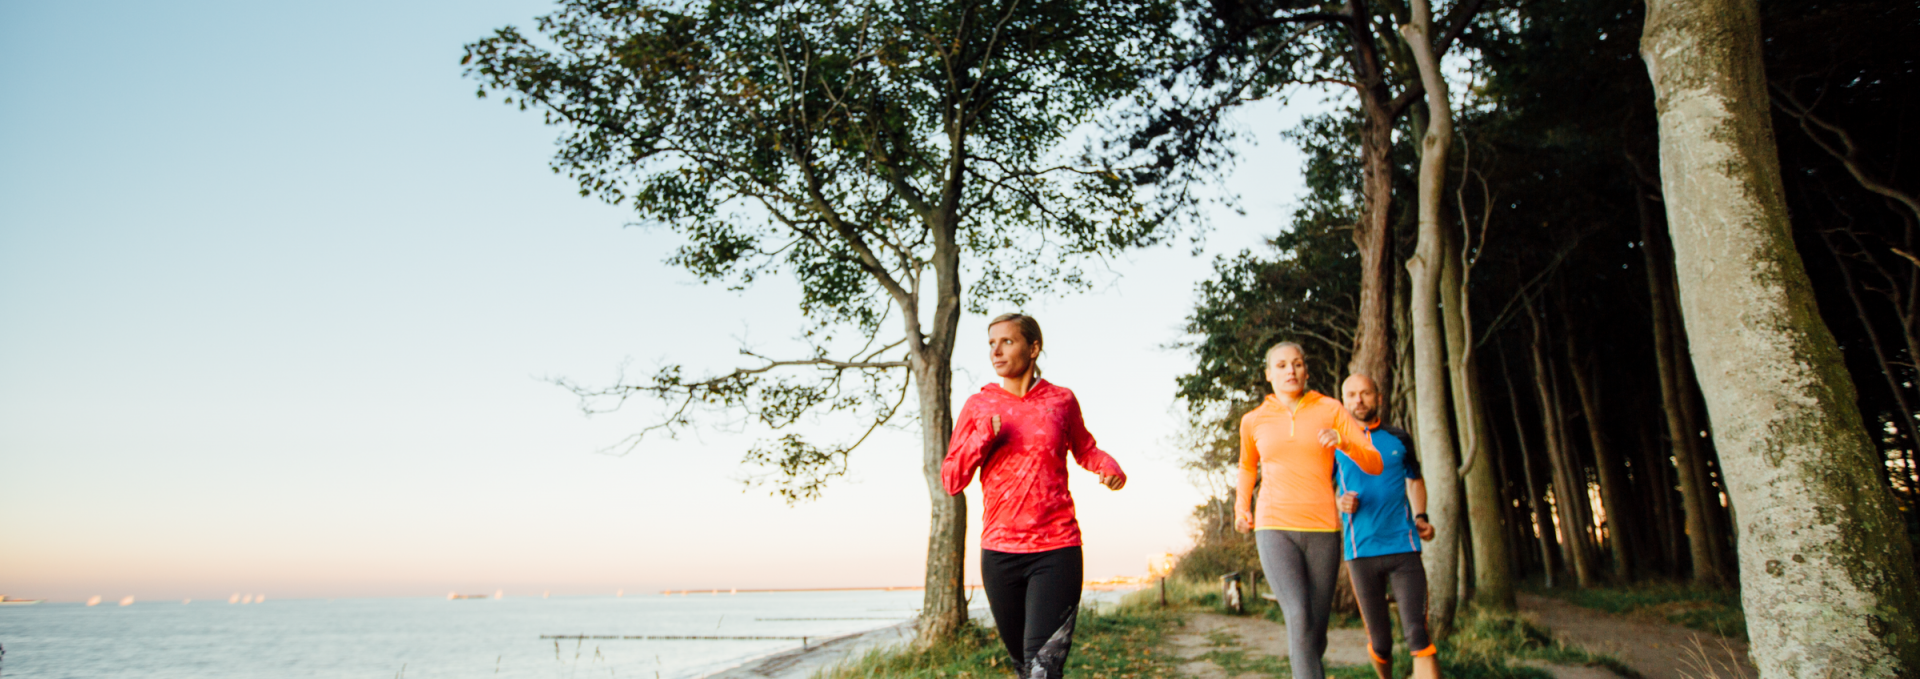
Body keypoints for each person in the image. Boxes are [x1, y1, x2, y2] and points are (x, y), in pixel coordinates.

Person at [943, 313, 1126, 679]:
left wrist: (1109, 467)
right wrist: (982, 439)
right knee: (1025, 668)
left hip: (1056, 549)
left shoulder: (1060, 400)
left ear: (1034, 347)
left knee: (1043, 669)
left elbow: (1086, 448)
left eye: (1007, 341)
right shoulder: (979, 407)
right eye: (991, 343)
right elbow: (951, 479)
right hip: (1000, 554)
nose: (996, 351)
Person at [1236, 342, 1382, 679]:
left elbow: (1373, 462)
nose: (1291, 370)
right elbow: (1247, 468)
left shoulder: (1330, 409)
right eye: (1282, 365)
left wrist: (1343, 441)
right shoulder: (1253, 421)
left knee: (1314, 628)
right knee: (1299, 615)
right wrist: (1241, 508)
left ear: (1306, 370)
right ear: (1268, 373)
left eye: (1298, 364)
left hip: (1323, 530)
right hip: (1274, 527)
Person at [1334, 373, 1441, 679]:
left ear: (1378, 398)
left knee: (1418, 634)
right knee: (1380, 643)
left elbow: (1415, 479)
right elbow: (1328, 492)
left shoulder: (1399, 438)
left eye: (1365, 393)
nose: (1359, 400)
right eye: (1352, 394)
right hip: (1361, 552)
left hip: (1403, 547)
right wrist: (1340, 502)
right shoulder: (1335, 443)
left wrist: (1421, 517)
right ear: (1343, 401)